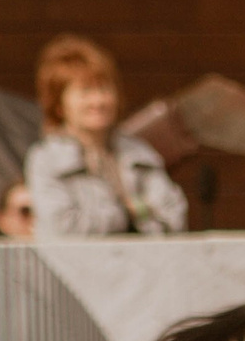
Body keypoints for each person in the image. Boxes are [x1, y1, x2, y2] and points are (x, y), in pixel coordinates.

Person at [24, 35, 187, 237]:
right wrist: (128, 213)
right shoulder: (46, 159)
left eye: (104, 89)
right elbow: (64, 228)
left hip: (142, 265)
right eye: (85, 92)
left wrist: (129, 215)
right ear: (58, 105)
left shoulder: (138, 152)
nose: (98, 101)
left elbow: (174, 218)